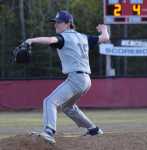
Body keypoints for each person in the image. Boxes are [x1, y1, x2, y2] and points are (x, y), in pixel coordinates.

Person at [25, 10, 110, 144]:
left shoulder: (63, 37)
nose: (55, 25)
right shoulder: (83, 37)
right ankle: (93, 129)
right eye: (55, 23)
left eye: (58, 22)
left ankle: (48, 131)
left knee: (49, 101)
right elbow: (105, 38)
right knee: (67, 107)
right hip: (86, 80)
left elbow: (51, 40)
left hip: (76, 78)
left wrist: (31, 40)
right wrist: (104, 29)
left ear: (68, 24)